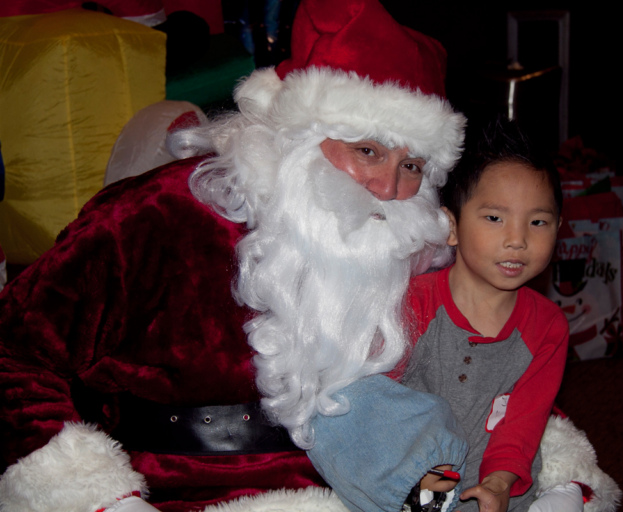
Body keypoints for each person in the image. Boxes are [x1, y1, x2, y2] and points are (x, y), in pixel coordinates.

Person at [0, 0, 467, 510]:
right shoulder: (164, 213)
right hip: (175, 494)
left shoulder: (412, 249)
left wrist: (554, 468)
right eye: (368, 151)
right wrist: (99, 497)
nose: (387, 187)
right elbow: (14, 351)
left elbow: (497, 364)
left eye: (413, 166)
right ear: (300, 136)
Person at [401, 118, 617, 512]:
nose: (517, 240)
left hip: (497, 481)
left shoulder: (548, 326)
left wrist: (499, 482)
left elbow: (523, 421)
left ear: (558, 229)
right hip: (410, 475)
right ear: (452, 226)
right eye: (495, 218)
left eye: (538, 222)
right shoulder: (414, 303)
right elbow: (378, 401)